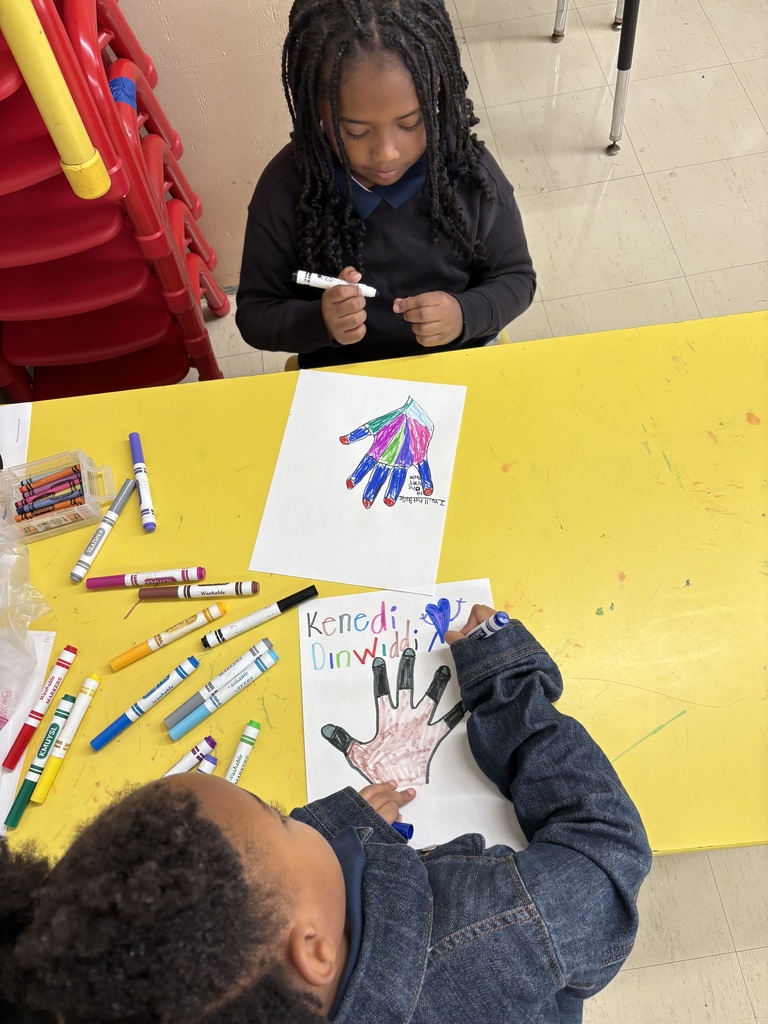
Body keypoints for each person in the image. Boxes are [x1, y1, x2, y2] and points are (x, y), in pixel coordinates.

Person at [1, 606, 651, 1023]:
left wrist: (345, 826)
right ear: (313, 949)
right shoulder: (488, 926)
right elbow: (607, 852)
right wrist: (506, 685)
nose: (303, 819)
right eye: (281, 818)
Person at [235, 0, 536, 369]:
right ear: (317, 107)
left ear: (436, 90)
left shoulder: (468, 171)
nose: (387, 154)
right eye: (355, 131)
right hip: (345, 374)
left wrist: (463, 314)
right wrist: (319, 321)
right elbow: (255, 314)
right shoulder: (286, 192)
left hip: (457, 361)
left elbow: (517, 278)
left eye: (410, 123)